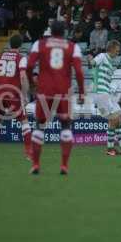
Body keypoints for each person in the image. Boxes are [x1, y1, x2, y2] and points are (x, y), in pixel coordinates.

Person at [27, 21, 85, 175]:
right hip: (64, 92)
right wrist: (81, 92)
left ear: (50, 31)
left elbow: (29, 65)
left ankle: (35, 165)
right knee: (65, 126)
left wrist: (32, 84)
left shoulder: (39, 44)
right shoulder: (73, 47)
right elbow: (79, 72)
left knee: (40, 126)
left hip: (44, 90)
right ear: (65, 32)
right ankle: (64, 166)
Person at [0, 35, 32, 160]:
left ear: (10, 44)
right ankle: (28, 153)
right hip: (13, 95)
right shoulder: (21, 58)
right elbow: (22, 77)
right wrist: (25, 95)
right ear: (20, 45)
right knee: (24, 122)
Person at [88, 40, 121, 156]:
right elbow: (92, 63)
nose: (118, 53)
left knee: (118, 118)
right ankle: (115, 148)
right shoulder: (102, 56)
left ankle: (118, 148)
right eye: (116, 50)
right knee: (115, 119)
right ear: (111, 49)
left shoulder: (111, 62)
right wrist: (91, 60)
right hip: (100, 93)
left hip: (106, 94)